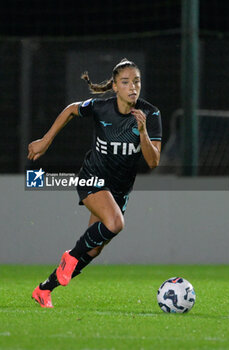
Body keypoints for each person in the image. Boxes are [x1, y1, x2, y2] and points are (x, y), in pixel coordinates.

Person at [28, 58, 162, 308]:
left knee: (95, 250)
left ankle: (44, 289)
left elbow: (153, 162)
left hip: (120, 189)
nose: (133, 87)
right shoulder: (101, 108)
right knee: (115, 223)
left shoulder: (150, 114)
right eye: (126, 82)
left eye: (137, 81)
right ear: (115, 87)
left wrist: (142, 131)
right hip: (92, 177)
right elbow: (71, 109)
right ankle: (70, 256)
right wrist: (46, 141)